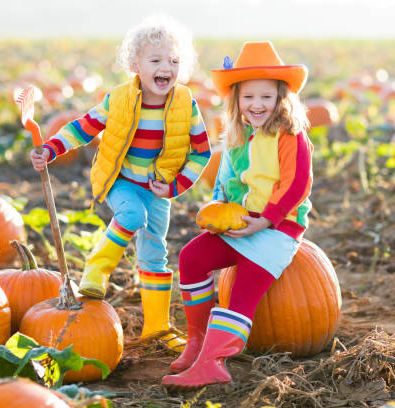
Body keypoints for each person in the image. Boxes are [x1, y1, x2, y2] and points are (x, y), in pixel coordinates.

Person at [30, 16, 211, 351]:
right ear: (135, 65)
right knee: (131, 217)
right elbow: (84, 127)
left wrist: (174, 187)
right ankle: (95, 273)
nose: (165, 68)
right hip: (122, 181)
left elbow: (202, 152)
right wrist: (51, 148)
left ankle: (156, 327)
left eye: (173, 61)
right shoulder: (119, 99)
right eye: (155, 60)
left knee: (155, 254)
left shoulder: (187, 104)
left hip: (159, 190)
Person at [162, 41, 313, 389]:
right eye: (249, 97)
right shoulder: (239, 136)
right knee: (192, 256)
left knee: (243, 292)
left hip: (277, 230)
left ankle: (214, 364)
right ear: (237, 100)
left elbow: (296, 185)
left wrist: (267, 220)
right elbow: (228, 182)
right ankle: (198, 343)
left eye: (265, 97)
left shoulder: (291, 136)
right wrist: (216, 211)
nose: (257, 105)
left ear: (281, 98)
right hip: (243, 223)